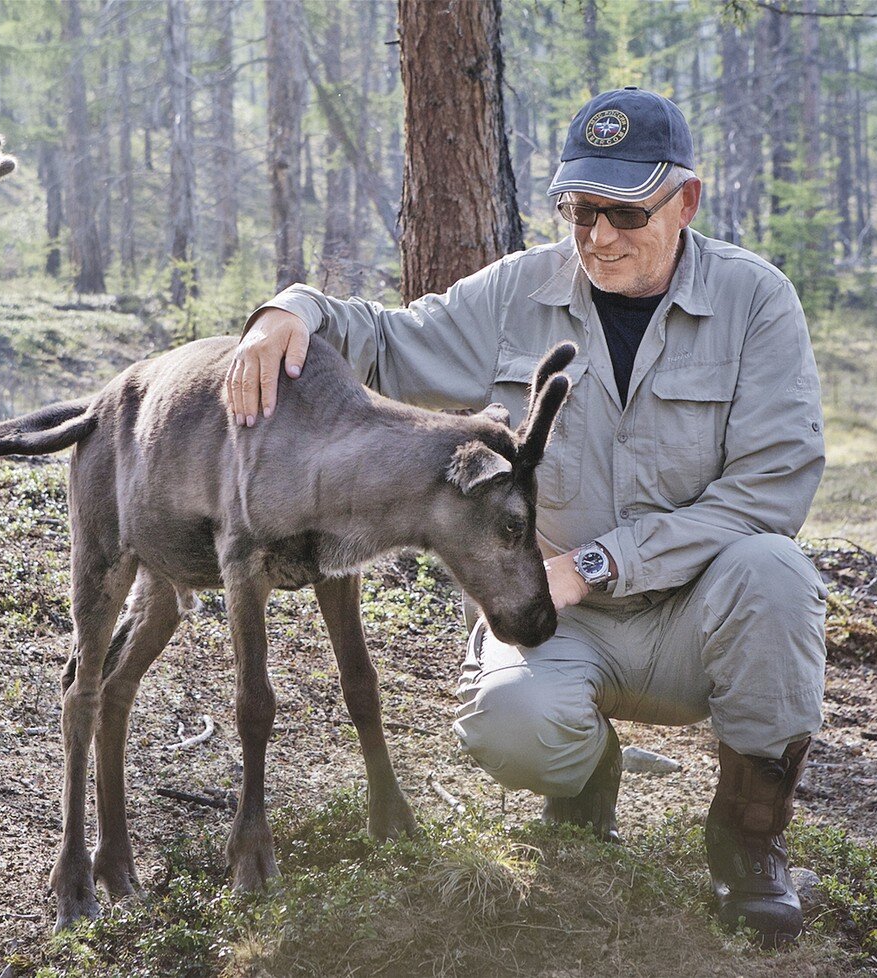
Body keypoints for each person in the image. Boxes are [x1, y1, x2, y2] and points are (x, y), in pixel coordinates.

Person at [226, 87, 827, 947]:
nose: (599, 238)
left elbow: (770, 491)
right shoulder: (521, 290)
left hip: (696, 616)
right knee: (513, 732)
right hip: (557, 621)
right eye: (580, 211)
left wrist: (596, 565)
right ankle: (585, 776)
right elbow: (392, 341)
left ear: (686, 200)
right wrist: (291, 311)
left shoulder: (756, 302)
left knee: (775, 573)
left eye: (625, 211)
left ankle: (748, 836)